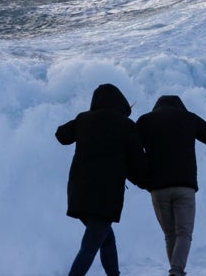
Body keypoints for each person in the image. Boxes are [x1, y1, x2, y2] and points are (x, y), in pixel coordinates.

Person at [56, 83, 147, 276]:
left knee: (105, 239)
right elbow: (137, 163)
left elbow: (61, 135)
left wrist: (81, 124)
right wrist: (149, 182)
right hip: (105, 194)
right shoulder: (126, 125)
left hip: (78, 191)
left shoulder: (83, 119)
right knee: (90, 245)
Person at [136, 95, 206, 276]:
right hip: (184, 186)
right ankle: (176, 271)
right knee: (184, 233)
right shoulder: (188, 118)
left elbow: (132, 148)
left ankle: (176, 272)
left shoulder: (145, 121)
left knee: (169, 234)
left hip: (158, 188)